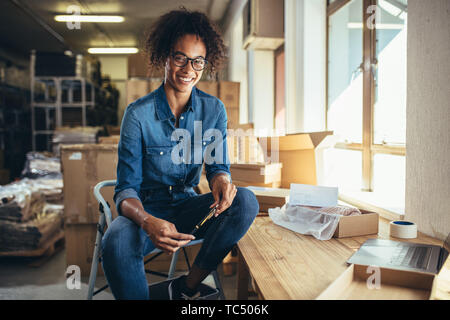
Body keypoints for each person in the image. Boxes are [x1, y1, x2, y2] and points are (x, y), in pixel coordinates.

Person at [101, 8, 259, 300]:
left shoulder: (214, 110)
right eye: (180, 58)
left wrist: (222, 181)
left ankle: (186, 289)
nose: (189, 69)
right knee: (116, 242)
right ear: (164, 56)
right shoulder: (138, 115)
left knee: (245, 201)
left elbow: (217, 166)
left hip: (188, 206)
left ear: (206, 63)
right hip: (148, 209)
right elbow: (125, 190)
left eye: (198, 61)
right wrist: (148, 221)